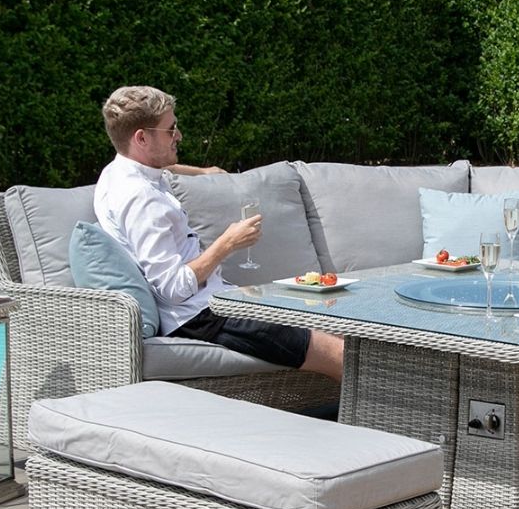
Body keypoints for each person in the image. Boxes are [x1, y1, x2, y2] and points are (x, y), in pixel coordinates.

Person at [96, 85, 343, 381]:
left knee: (333, 322)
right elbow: (172, 288)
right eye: (170, 130)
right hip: (200, 317)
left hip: (212, 302)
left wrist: (201, 172)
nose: (178, 135)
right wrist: (227, 243)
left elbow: (164, 171)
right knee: (339, 353)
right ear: (141, 138)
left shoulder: (116, 173)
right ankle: (374, 406)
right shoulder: (142, 200)